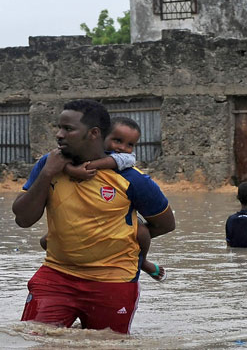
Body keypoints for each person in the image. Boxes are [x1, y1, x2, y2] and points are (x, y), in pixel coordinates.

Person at [13, 99, 175, 334]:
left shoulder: (132, 179)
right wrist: (47, 173)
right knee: (34, 339)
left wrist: (121, 237)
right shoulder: (48, 167)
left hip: (114, 281)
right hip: (56, 275)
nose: (59, 134)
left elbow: (166, 224)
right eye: (59, 127)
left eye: (68, 129)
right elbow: (23, 219)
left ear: (93, 133)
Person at [38, 117, 167, 282]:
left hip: (112, 220)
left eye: (130, 144)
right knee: (47, 240)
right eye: (117, 140)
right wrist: (73, 171)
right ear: (100, 136)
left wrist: (90, 167)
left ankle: (142, 260)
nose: (122, 148)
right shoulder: (77, 152)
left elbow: (114, 160)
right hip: (76, 218)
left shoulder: (126, 161)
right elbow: (60, 160)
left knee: (141, 230)